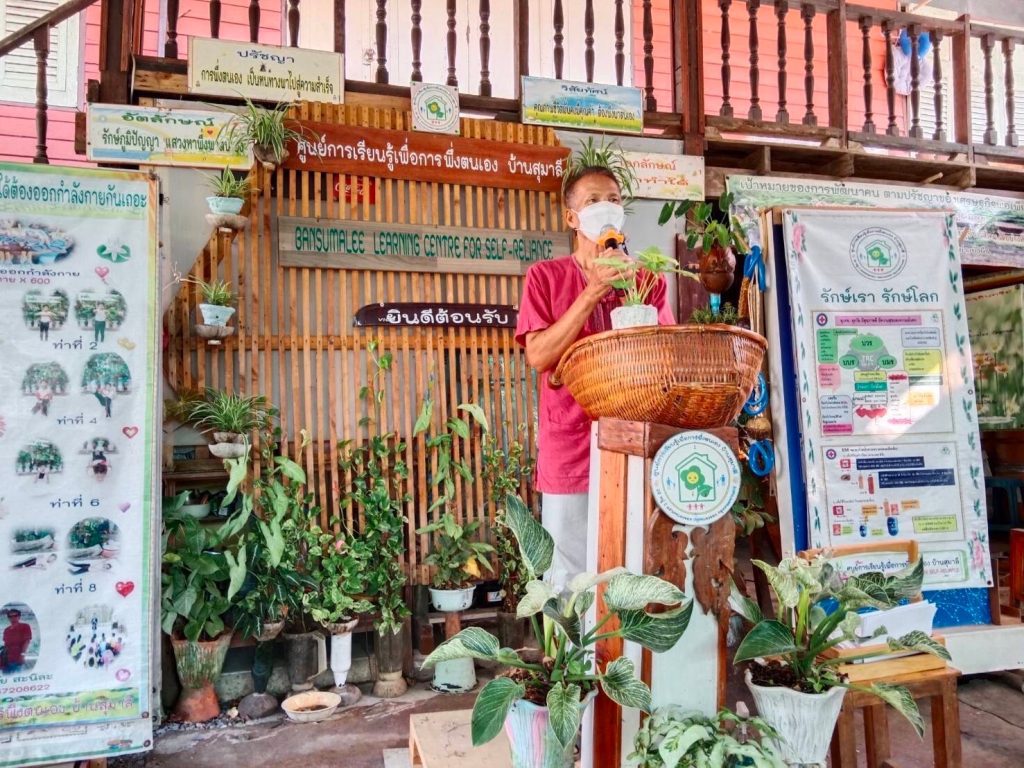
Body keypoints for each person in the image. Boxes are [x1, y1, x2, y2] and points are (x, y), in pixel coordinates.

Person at [515, 165, 674, 588]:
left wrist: (631, 291)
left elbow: (665, 357)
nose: (605, 208)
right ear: (572, 218)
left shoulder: (648, 281)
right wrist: (593, 292)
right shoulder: (544, 277)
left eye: (614, 200)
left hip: (634, 446)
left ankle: (620, 656)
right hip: (568, 448)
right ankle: (571, 657)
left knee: (630, 571)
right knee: (568, 580)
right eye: (592, 201)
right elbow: (538, 355)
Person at [2, 608, 33, 672]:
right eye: (10, 616)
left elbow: (27, 641)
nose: (12, 618)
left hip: (17, 658)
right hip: (5, 660)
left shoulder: (25, 626)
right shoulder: (6, 630)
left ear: (19, 616)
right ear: (8, 618)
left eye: (15, 616)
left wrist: (22, 655)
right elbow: (5, 645)